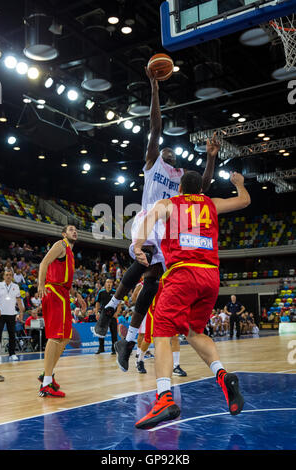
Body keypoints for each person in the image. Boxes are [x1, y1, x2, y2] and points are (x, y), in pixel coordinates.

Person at [96, 66, 219, 365]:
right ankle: (110, 307)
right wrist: (154, 90)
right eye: (168, 154)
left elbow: (202, 187)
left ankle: (126, 341)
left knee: (152, 284)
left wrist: (211, 158)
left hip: (168, 231)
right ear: (157, 155)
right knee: (144, 259)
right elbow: (155, 129)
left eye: (174, 157)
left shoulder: (180, 179)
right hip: (150, 219)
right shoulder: (153, 165)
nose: (172, 157)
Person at [132, 170, 250, 429]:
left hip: (183, 272)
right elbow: (244, 201)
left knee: (162, 333)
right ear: (200, 191)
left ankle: (163, 399)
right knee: (193, 331)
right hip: (211, 276)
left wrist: (138, 244)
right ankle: (223, 375)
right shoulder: (211, 203)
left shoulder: (170, 204)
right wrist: (239, 184)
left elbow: (150, 217)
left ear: (180, 188)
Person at [37, 224, 77, 397]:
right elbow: (44, 262)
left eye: (76, 230)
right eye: (70, 229)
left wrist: (78, 296)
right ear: (63, 233)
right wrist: (40, 284)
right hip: (53, 291)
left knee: (66, 337)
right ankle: (46, 384)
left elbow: (66, 278)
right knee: (55, 337)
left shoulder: (70, 253)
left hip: (63, 293)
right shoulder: (60, 245)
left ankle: (48, 373)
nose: (74, 231)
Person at [0, 269, 25, 362]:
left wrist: (21, 312)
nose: (8, 276)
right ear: (3, 276)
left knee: (12, 335)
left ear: (12, 276)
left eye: (10, 275)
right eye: (6, 274)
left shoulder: (16, 286)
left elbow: (19, 300)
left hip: (12, 314)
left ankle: (12, 354)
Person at [94, 279, 120, 355]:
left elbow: (119, 304)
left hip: (112, 315)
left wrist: (117, 313)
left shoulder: (115, 292)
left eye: (110, 282)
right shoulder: (101, 292)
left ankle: (114, 349)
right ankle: (101, 348)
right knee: (100, 332)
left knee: (114, 333)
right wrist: (96, 313)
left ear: (112, 284)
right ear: (105, 284)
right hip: (103, 315)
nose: (109, 284)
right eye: (107, 282)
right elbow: (97, 303)